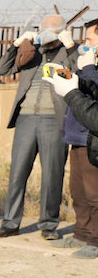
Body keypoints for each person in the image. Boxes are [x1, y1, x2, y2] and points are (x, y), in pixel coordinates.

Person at [0, 14, 80, 239]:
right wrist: (16, 44)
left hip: (55, 119)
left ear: (61, 32)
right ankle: (10, 223)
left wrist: (71, 47)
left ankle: (48, 225)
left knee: (52, 174)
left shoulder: (69, 52)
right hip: (26, 118)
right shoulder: (31, 52)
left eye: (50, 30)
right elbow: (3, 69)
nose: (45, 34)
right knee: (17, 172)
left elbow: (79, 74)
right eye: (43, 29)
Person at [44, 20, 98, 258]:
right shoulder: (89, 64)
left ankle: (95, 240)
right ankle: (81, 234)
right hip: (76, 134)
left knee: (94, 193)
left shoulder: (91, 67)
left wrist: (86, 70)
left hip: (92, 139)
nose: (84, 44)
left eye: (89, 40)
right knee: (78, 191)